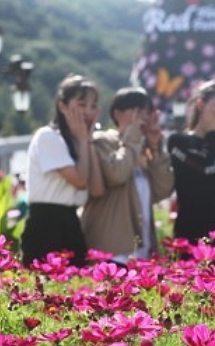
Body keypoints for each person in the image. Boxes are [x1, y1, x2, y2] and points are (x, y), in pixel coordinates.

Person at [81, 87, 174, 264]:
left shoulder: (143, 149)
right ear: (117, 114)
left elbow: (163, 189)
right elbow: (117, 174)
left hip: (141, 251)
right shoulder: (102, 141)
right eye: (136, 110)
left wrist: (155, 147)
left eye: (147, 112)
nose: (143, 117)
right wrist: (131, 139)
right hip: (110, 250)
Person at [20, 74, 104, 268]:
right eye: (81, 104)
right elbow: (80, 180)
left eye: (93, 106)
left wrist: (87, 140)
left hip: (71, 223)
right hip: (45, 223)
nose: (88, 112)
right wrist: (84, 140)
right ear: (62, 106)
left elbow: (98, 190)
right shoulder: (48, 137)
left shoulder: (80, 142)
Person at [167, 80, 215, 245]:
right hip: (190, 236)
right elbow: (207, 169)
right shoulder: (178, 141)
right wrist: (213, 133)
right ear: (201, 104)